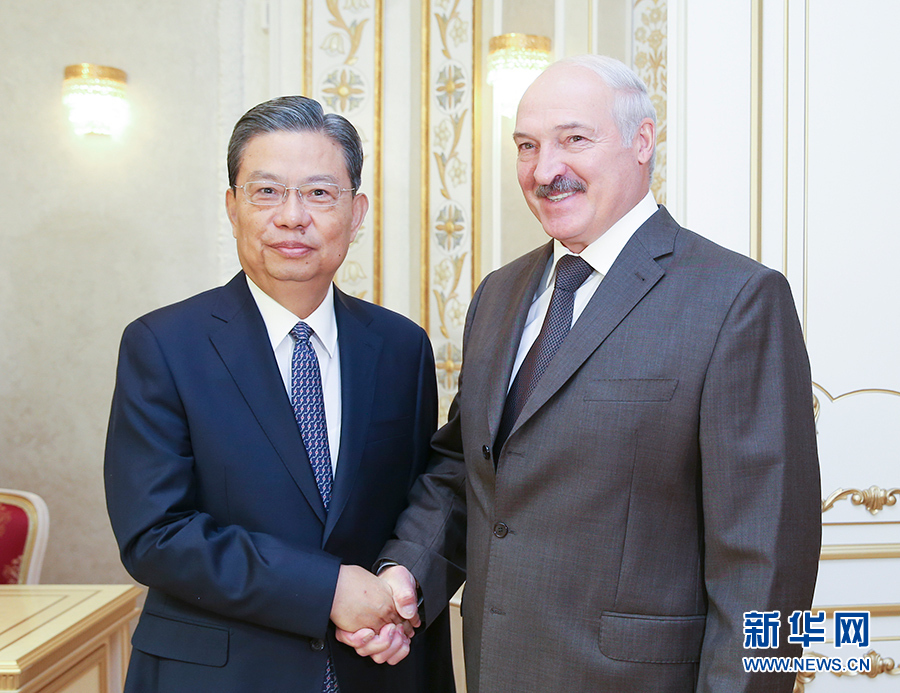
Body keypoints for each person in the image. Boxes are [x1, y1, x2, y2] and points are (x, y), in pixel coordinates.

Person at [342, 55, 822, 691]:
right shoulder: (499, 294)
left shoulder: (736, 299)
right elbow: (467, 470)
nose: (545, 170)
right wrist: (405, 574)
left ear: (642, 141)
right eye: (527, 146)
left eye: (573, 139)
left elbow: (765, 559)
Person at [104, 95, 453, 693]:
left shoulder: (401, 347)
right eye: (266, 192)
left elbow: (423, 499)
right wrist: (328, 589)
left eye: (319, 193)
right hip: (217, 675)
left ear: (357, 212)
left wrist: (402, 591)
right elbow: (154, 535)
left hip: (377, 667)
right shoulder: (163, 344)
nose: (293, 217)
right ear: (232, 207)